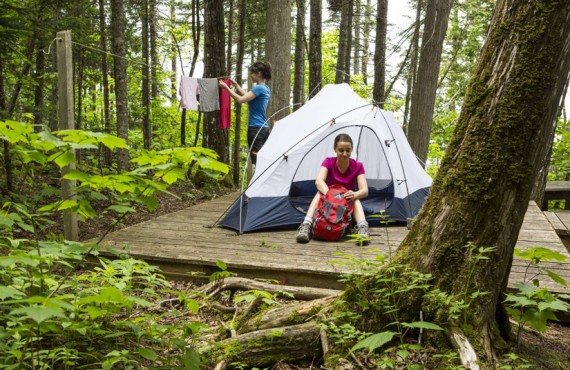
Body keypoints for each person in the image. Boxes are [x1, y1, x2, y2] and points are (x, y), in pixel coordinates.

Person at [296, 133, 370, 243]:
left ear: (352, 149)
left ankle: (362, 228)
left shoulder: (358, 166)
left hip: (346, 199)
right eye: (341, 150)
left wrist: (354, 195)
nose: (344, 154)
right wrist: (330, 194)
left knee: (355, 198)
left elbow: (365, 190)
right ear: (335, 149)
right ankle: (306, 225)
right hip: (329, 198)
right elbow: (319, 181)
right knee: (319, 193)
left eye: (348, 150)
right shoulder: (328, 162)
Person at [218, 61, 271, 165]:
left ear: (258, 73)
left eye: (252, 73)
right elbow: (248, 97)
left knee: (257, 161)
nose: (250, 75)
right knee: (263, 159)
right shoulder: (265, 88)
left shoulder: (258, 88)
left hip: (255, 129)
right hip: (264, 129)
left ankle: (259, 181)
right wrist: (237, 86)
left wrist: (226, 88)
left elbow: (241, 100)